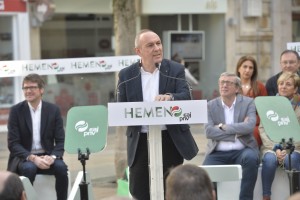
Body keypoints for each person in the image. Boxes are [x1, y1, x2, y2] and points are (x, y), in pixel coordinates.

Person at [117, 29, 199, 200]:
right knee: (138, 190)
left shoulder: (175, 69)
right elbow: (121, 108)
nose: (157, 48)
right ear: (138, 51)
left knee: (171, 189)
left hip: (170, 137)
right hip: (140, 139)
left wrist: (170, 97)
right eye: (150, 45)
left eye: (158, 43)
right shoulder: (126, 75)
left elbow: (186, 96)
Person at [7, 73, 69, 200]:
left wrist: (52, 157)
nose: (28, 91)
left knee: (61, 168)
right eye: (25, 88)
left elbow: (61, 141)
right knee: (29, 168)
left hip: (47, 155)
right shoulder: (16, 111)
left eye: (32, 87)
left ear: (41, 90)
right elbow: (13, 144)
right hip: (25, 157)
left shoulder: (53, 110)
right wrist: (32, 158)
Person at [203, 72, 259, 200]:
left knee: (251, 158)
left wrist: (223, 126)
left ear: (237, 88)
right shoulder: (210, 106)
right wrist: (236, 133)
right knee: (204, 175)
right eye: (222, 82)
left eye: (229, 83)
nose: (224, 85)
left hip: (243, 150)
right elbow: (209, 132)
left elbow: (249, 126)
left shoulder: (248, 102)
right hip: (217, 153)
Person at [259, 72, 300, 200]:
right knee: (270, 161)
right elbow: (262, 129)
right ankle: (266, 196)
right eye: (281, 84)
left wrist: (288, 150)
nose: (283, 86)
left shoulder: (299, 108)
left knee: (291, 160)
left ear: (295, 88)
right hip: (271, 147)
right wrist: (275, 149)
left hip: (294, 148)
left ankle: (296, 195)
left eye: (288, 84)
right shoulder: (269, 106)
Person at [235, 55, 268, 147]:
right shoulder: (232, 86)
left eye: (251, 68)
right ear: (239, 68)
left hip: (255, 124)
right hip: (235, 122)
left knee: (254, 133)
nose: (247, 70)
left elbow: (265, 111)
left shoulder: (260, 87)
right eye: (245, 67)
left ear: (254, 71)